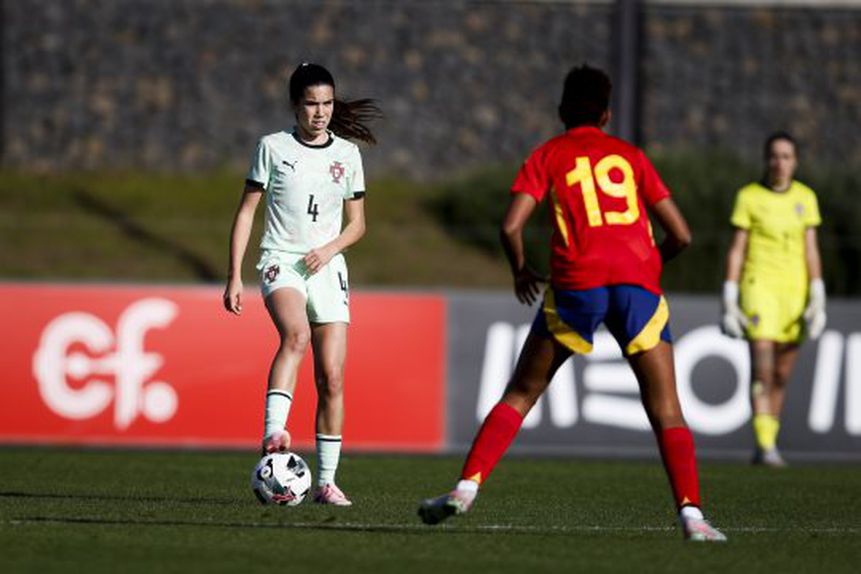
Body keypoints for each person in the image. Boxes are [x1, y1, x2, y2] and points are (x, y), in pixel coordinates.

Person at [418, 64, 726, 542]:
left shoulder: (549, 155)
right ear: (606, 113)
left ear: (562, 110)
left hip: (577, 281)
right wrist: (647, 264)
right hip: (636, 286)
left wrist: (521, 269)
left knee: (521, 393)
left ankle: (465, 488)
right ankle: (693, 516)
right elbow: (682, 234)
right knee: (667, 409)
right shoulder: (629, 157)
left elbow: (509, 225)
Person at [224, 62, 380, 506]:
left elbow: (358, 225)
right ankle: (275, 432)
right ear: (295, 106)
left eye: (327, 103)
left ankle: (326, 482)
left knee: (332, 377)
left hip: (328, 266)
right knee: (295, 334)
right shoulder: (272, 147)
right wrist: (234, 274)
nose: (320, 112)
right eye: (311, 104)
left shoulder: (348, 155)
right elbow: (246, 213)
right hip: (282, 260)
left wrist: (329, 250)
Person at [721, 132, 825, 467]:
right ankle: (765, 447)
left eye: (786, 156)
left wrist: (818, 293)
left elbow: (811, 248)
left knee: (781, 374)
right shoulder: (749, 197)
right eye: (775, 156)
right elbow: (738, 249)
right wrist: (730, 296)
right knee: (762, 368)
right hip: (759, 288)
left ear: (795, 161)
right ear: (766, 159)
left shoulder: (806, 198)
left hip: (792, 293)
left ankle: (768, 441)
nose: (780, 162)